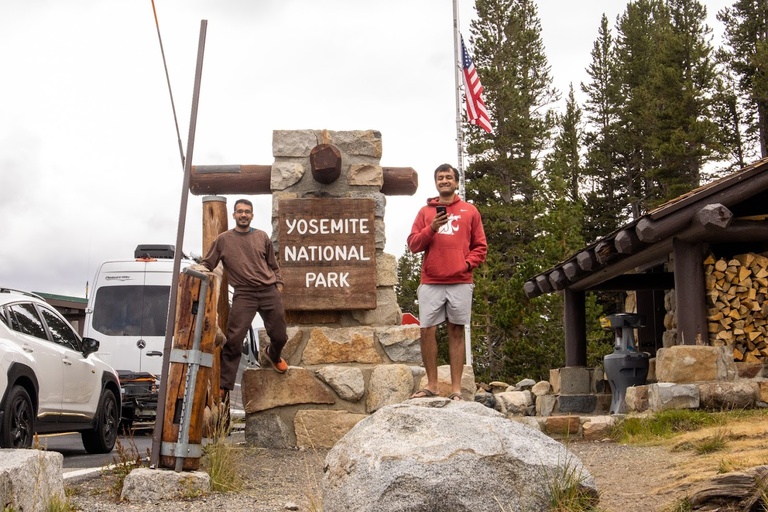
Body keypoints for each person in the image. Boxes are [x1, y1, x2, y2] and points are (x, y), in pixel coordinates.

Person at [407, 163, 487, 400]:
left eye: (448, 177)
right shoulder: (425, 212)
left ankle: (456, 389)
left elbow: (480, 247)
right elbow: (413, 244)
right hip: (431, 280)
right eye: (440, 178)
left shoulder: (470, 211)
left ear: (456, 182)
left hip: (460, 281)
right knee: (427, 330)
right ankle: (432, 385)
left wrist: (466, 264)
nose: (444, 181)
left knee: (456, 330)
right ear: (436, 183)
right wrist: (431, 228)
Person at [197, 198, 289, 402]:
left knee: (280, 336)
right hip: (244, 294)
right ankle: (224, 385)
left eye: (247, 211)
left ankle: (272, 355)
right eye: (240, 211)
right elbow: (208, 263)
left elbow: (273, 266)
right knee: (234, 339)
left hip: (268, 291)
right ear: (234, 215)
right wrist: (197, 271)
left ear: (252, 215)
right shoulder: (224, 239)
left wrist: (278, 284)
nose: (244, 215)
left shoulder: (262, 236)